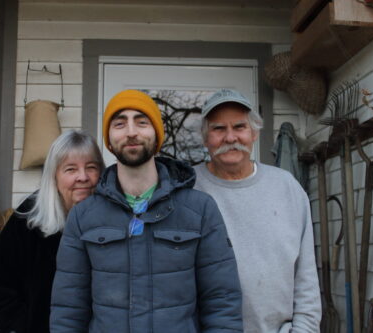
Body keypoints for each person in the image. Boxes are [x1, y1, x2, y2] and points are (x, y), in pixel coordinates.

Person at [50, 89, 242, 333]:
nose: (131, 131)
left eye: (142, 122)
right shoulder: (84, 216)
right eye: (120, 124)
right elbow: (68, 311)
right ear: (109, 139)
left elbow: (222, 303)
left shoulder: (200, 209)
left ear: (157, 135)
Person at [193, 89, 321, 332]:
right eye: (219, 129)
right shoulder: (188, 190)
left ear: (254, 133)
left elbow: (306, 278)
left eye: (239, 127)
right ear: (205, 138)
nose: (230, 137)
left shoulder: (287, 188)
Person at [0, 130, 105, 333]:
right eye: (70, 169)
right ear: (54, 176)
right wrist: (23, 327)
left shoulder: (110, 221)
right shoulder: (29, 218)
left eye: (91, 167)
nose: (83, 177)